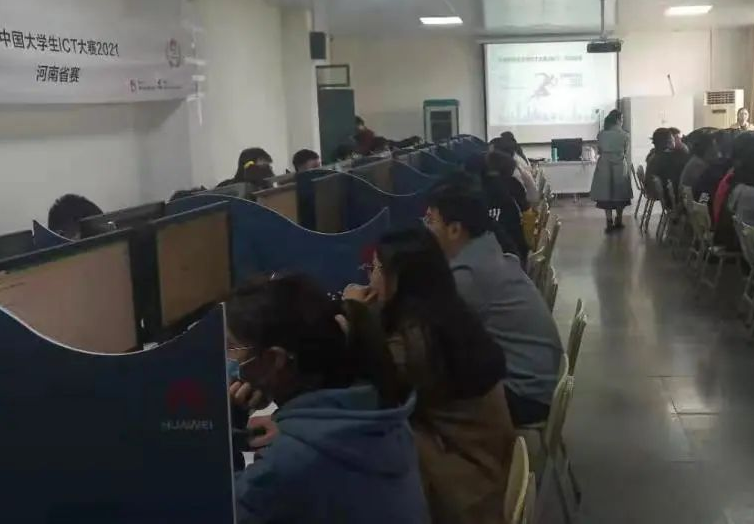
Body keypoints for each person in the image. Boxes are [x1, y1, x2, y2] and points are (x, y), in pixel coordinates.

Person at [226, 274, 428, 524]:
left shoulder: (285, 465)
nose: (227, 358)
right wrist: (292, 426)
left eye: (231, 348)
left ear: (274, 360)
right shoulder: (384, 415)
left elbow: (221, 508)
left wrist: (226, 426)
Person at [345, 228, 514, 524]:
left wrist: (354, 312)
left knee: (358, 449)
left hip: (467, 485)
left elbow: (370, 390)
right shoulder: (443, 313)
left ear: (398, 280)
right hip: (484, 460)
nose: (370, 277)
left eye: (376, 268)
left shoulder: (418, 341)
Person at [424, 182, 563, 427]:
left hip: (526, 394)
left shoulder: (469, 275)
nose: (426, 228)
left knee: (426, 402)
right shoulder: (488, 251)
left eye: (431, 220)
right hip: (539, 380)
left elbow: (427, 330)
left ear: (455, 229)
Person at [590, 110, 633, 233]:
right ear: (618, 120)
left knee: (606, 194)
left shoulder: (601, 135)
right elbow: (625, 151)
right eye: (622, 119)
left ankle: (609, 221)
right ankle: (619, 219)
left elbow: (599, 150)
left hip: (604, 165)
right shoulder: (625, 135)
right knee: (620, 194)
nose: (622, 121)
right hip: (620, 166)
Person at [645, 128, 690, 206]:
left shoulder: (657, 156)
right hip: (673, 200)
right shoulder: (669, 159)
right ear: (669, 142)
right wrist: (684, 147)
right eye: (673, 138)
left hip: (664, 197)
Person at [491, 137, 539, 205]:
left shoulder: (513, 173)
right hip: (528, 202)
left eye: (491, 154)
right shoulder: (514, 163)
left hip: (526, 205)